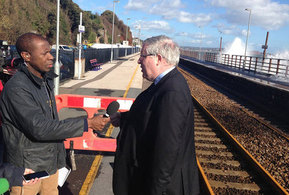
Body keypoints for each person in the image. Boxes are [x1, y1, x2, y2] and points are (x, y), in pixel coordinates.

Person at [0, 32, 110, 195]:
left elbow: (52, 121)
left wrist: (59, 161)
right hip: (29, 170)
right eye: (44, 53)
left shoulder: (45, 80)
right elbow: (39, 128)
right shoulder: (17, 88)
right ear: (26, 56)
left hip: (50, 165)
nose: (51, 57)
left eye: (50, 52)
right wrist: (87, 123)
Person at [110, 35, 200, 195]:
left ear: (158, 58)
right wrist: (124, 119)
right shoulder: (164, 84)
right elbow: (151, 117)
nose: (139, 61)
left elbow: (167, 151)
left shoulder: (172, 92)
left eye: (142, 56)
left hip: (162, 188)